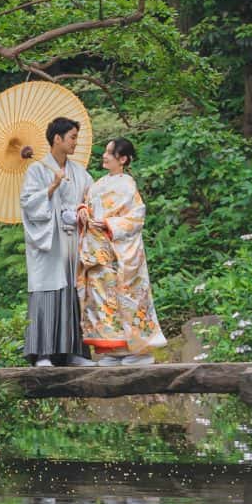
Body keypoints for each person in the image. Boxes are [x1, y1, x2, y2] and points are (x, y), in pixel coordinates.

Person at [81, 136, 167, 362]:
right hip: (100, 252)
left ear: (123, 159)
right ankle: (113, 350)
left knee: (128, 300)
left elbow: (136, 217)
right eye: (106, 152)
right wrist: (83, 211)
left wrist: (110, 224)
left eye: (110, 153)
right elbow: (88, 205)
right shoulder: (98, 184)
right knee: (103, 301)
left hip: (121, 252)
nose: (105, 156)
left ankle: (137, 351)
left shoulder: (128, 184)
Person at [18, 117, 95, 367]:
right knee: (47, 290)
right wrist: (51, 188)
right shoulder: (37, 170)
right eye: (72, 137)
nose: (75, 142)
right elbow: (29, 204)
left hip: (71, 241)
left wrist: (80, 211)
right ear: (57, 139)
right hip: (48, 242)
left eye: (76, 137)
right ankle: (43, 354)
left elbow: (91, 199)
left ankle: (74, 352)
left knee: (72, 291)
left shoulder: (79, 173)